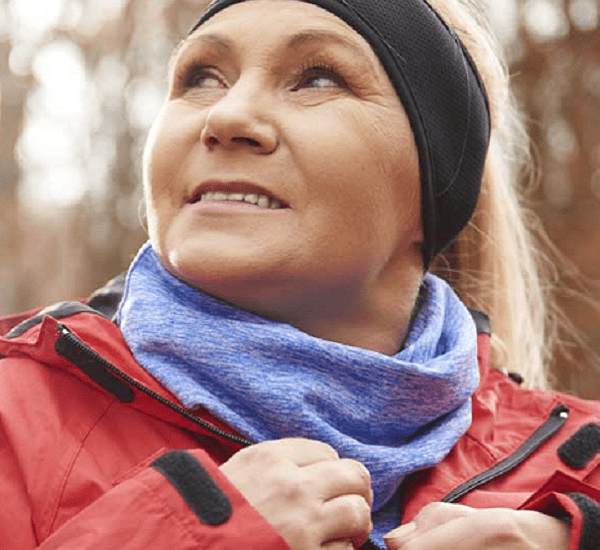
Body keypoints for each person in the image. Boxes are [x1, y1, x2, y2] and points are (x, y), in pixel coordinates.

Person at [1, 0, 599, 548]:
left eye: (317, 78)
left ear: (432, 185)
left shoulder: (582, 471)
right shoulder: (12, 419)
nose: (227, 114)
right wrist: (192, 533)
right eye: (202, 77)